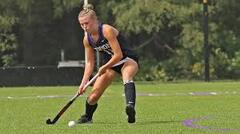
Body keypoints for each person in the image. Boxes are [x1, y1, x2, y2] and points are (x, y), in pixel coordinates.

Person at [77, 4, 139, 124]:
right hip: (110, 66)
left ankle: (130, 108)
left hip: (127, 59)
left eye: (87, 23)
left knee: (127, 76)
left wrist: (104, 67)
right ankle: (88, 117)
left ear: (95, 20)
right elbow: (89, 62)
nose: (84, 27)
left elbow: (118, 55)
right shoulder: (87, 39)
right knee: (93, 96)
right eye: (81, 24)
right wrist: (83, 83)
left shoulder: (106, 30)